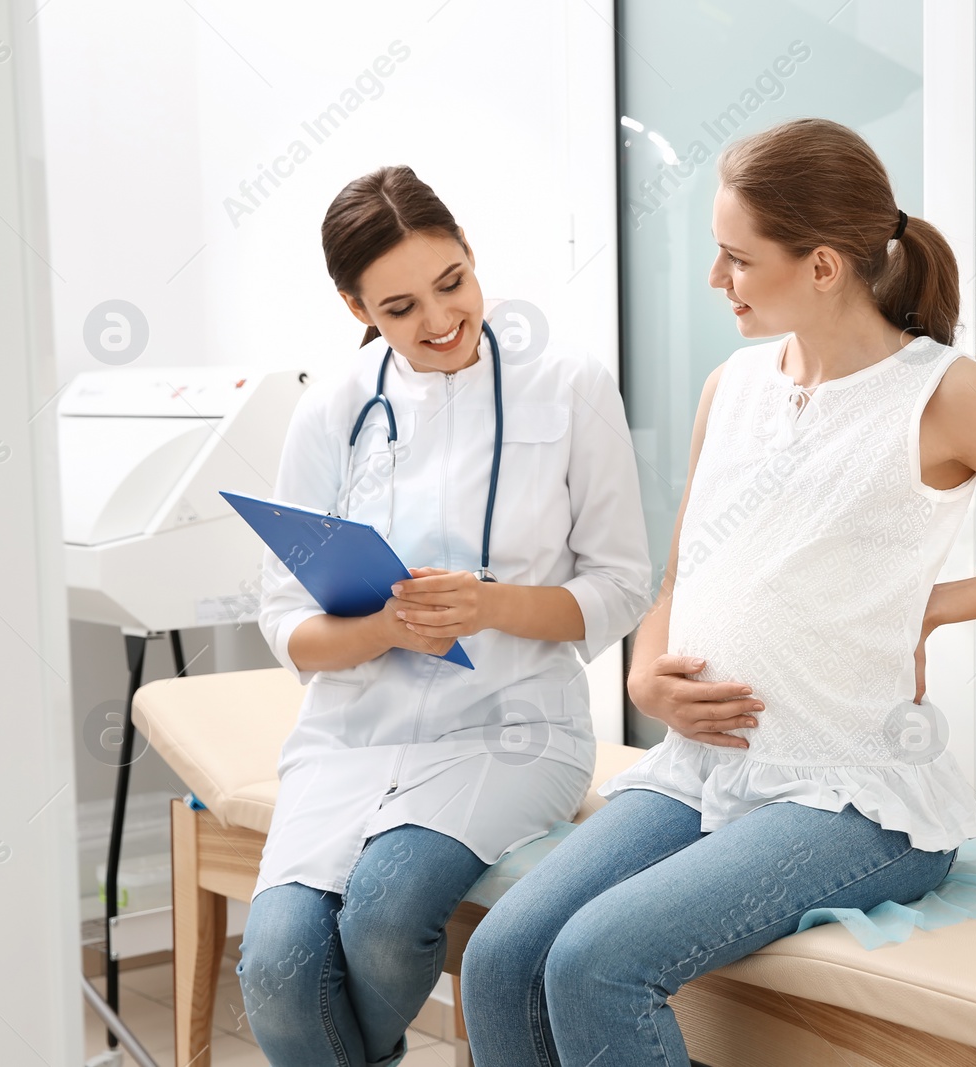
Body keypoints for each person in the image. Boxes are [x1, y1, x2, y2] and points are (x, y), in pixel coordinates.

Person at [459, 118, 976, 1067]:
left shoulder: (942, 394)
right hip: (699, 770)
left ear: (823, 265)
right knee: (500, 953)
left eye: (737, 258)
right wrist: (647, 678)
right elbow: (679, 579)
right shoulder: (731, 386)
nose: (716, 279)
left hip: (856, 797)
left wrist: (938, 603)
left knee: (594, 963)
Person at [234, 164, 653, 1067]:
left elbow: (622, 587)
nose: (437, 321)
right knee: (275, 969)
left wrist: (489, 603)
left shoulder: (571, 386)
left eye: (451, 283)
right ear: (356, 309)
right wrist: (384, 629)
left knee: (385, 915)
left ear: (470, 255)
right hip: (350, 738)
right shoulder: (330, 413)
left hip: (512, 731)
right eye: (398, 307)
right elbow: (284, 623)